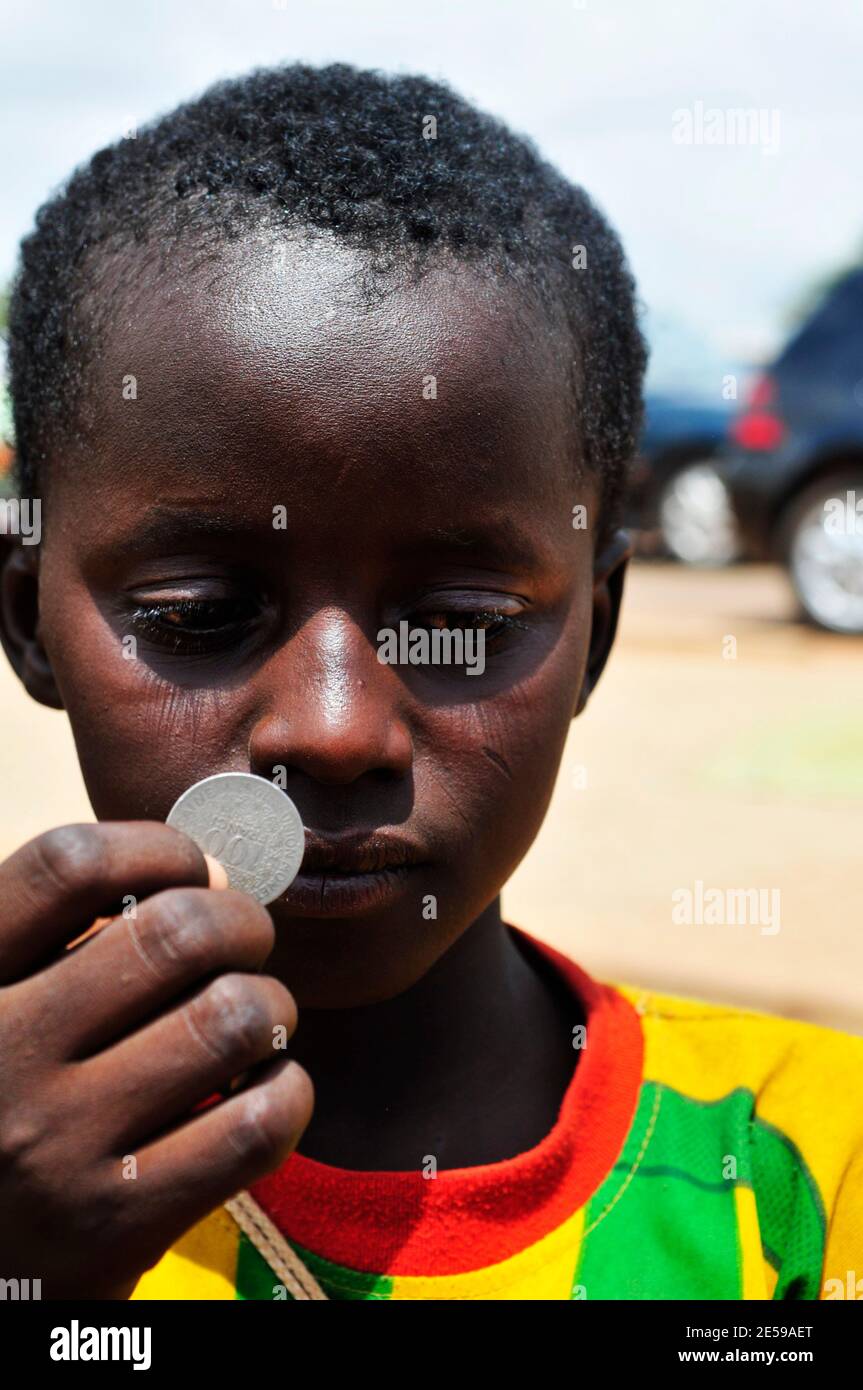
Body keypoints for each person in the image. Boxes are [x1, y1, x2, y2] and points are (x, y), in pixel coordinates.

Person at [0, 62, 859, 1301]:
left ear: (596, 637)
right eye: (199, 616)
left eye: (459, 620)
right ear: (29, 623)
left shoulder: (801, 1179)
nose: (333, 731)